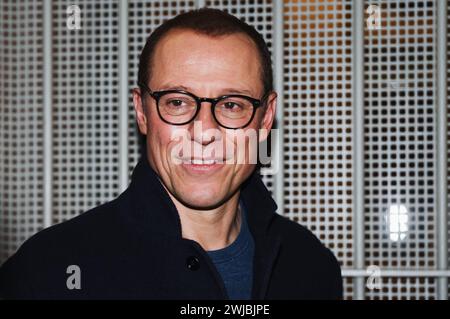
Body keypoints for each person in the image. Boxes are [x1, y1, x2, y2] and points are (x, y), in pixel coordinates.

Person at [0, 8, 342, 299]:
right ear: (142, 112)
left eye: (232, 104)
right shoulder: (47, 271)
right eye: (177, 102)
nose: (204, 131)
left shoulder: (311, 267)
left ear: (265, 118)